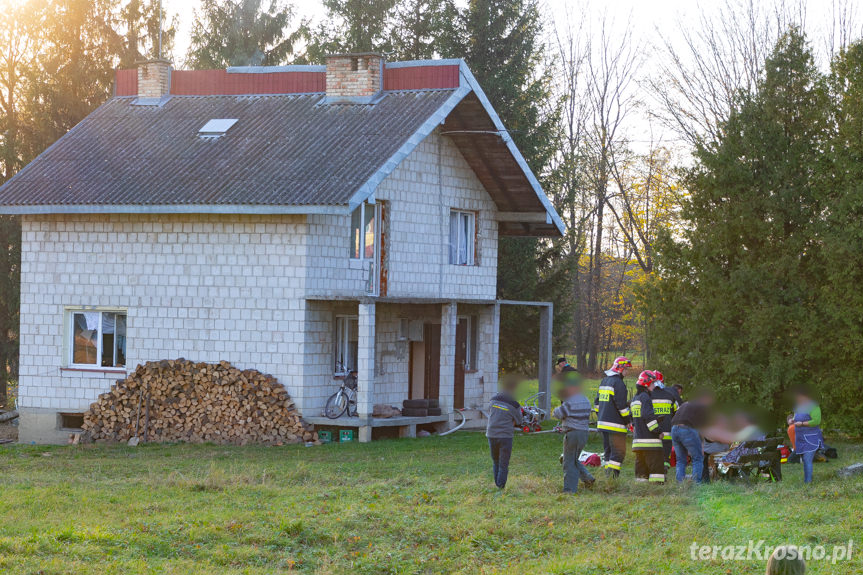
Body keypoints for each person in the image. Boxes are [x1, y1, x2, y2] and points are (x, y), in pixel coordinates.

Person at [553, 370, 595, 493]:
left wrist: (556, 409)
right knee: (574, 459)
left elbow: (558, 413)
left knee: (568, 463)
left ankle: (569, 490)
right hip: (583, 433)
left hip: (573, 434)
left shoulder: (570, 401)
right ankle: (588, 478)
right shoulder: (586, 400)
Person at [595, 356, 633, 478]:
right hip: (616, 426)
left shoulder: (604, 381)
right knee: (618, 453)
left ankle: (607, 478)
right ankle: (612, 479)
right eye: (627, 369)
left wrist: (601, 415)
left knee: (608, 453)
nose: (628, 372)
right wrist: (628, 421)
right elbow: (621, 407)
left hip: (602, 424)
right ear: (621, 369)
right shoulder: (619, 384)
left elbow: (596, 403)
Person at [485, 376, 523, 489]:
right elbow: (519, 421)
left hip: (491, 434)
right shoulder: (514, 405)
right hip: (505, 436)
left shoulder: (493, 400)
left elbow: (491, 412)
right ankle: (500, 487)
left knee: (495, 461)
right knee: (503, 463)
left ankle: (497, 485)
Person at [670, 389, 713, 483]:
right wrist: (702, 445)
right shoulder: (702, 406)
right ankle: (696, 485)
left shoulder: (686, 404)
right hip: (686, 429)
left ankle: (680, 484)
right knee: (698, 458)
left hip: (674, 429)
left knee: (680, 460)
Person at [630, 370, 665, 484]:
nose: (654, 386)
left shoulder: (635, 398)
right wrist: (658, 431)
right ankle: (657, 488)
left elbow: (635, 419)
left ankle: (642, 488)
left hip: (638, 440)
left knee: (641, 467)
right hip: (650, 441)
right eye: (653, 383)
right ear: (646, 383)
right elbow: (648, 417)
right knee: (656, 468)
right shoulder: (645, 397)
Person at [791, 386, 823, 484]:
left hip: (811, 438)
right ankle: (807, 480)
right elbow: (795, 417)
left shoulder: (814, 406)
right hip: (800, 438)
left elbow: (816, 421)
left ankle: (808, 482)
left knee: (807, 459)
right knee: (805, 460)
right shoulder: (798, 406)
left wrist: (802, 423)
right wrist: (792, 420)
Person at [649, 371, 679, 469]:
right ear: (662, 381)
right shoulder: (670, 396)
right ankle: (665, 468)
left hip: (653, 431)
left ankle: (654, 469)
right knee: (666, 454)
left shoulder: (647, 396)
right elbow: (677, 412)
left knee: (654, 453)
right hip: (667, 431)